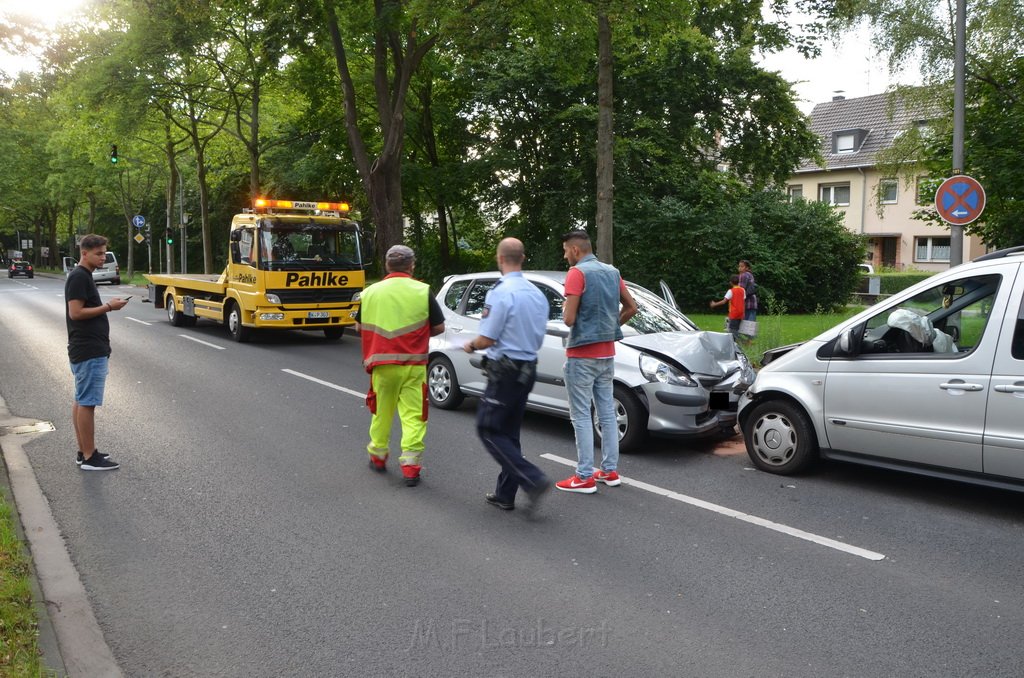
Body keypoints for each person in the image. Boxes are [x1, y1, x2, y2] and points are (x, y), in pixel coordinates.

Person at [463, 238, 552, 514]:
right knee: (509, 432)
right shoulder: (537, 293)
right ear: (522, 258)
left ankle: (532, 479)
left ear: (500, 258)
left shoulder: (500, 292)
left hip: (506, 370)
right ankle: (505, 494)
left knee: (488, 428)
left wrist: (472, 344)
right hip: (528, 369)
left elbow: (487, 338)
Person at [555, 230, 637, 494]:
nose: (565, 254)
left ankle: (584, 476)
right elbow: (632, 307)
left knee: (580, 415)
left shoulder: (577, 273)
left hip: (581, 355)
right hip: (606, 354)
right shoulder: (612, 272)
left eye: (566, 250)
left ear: (576, 250)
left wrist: (566, 306)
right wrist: (611, 326)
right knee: (606, 413)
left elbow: (569, 319)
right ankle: (610, 471)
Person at [358, 245, 445, 486]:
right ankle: (410, 467)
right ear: (411, 265)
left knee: (381, 412)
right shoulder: (422, 291)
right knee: (414, 417)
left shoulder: (370, 293)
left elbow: (359, 327)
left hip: (381, 364)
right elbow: (439, 327)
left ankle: (377, 455)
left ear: (386, 265)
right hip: (413, 365)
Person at [65, 234, 128, 471]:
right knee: (87, 403)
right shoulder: (80, 277)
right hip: (89, 349)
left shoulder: (83, 276)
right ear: (84, 253)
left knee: (81, 400)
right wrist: (108, 307)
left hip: (86, 347)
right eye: (99, 254)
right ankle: (90, 457)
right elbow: (76, 313)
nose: (103, 257)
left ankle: (84, 451)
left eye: (104, 253)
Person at [709, 274, 745, 338]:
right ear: (739, 281)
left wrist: (714, 304)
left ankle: (738, 343)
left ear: (731, 282)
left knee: (732, 331)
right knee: (737, 329)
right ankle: (739, 341)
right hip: (741, 313)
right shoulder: (743, 290)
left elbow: (724, 301)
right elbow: (743, 300)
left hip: (734, 313)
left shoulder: (730, 291)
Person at [737, 259, 757, 340]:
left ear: (747, 268)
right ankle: (749, 341)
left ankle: (742, 340)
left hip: (746, 301)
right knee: (750, 323)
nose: (740, 268)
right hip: (753, 301)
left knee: (742, 323)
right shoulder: (750, 275)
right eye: (739, 266)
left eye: (742, 266)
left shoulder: (743, 275)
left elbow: (741, 290)